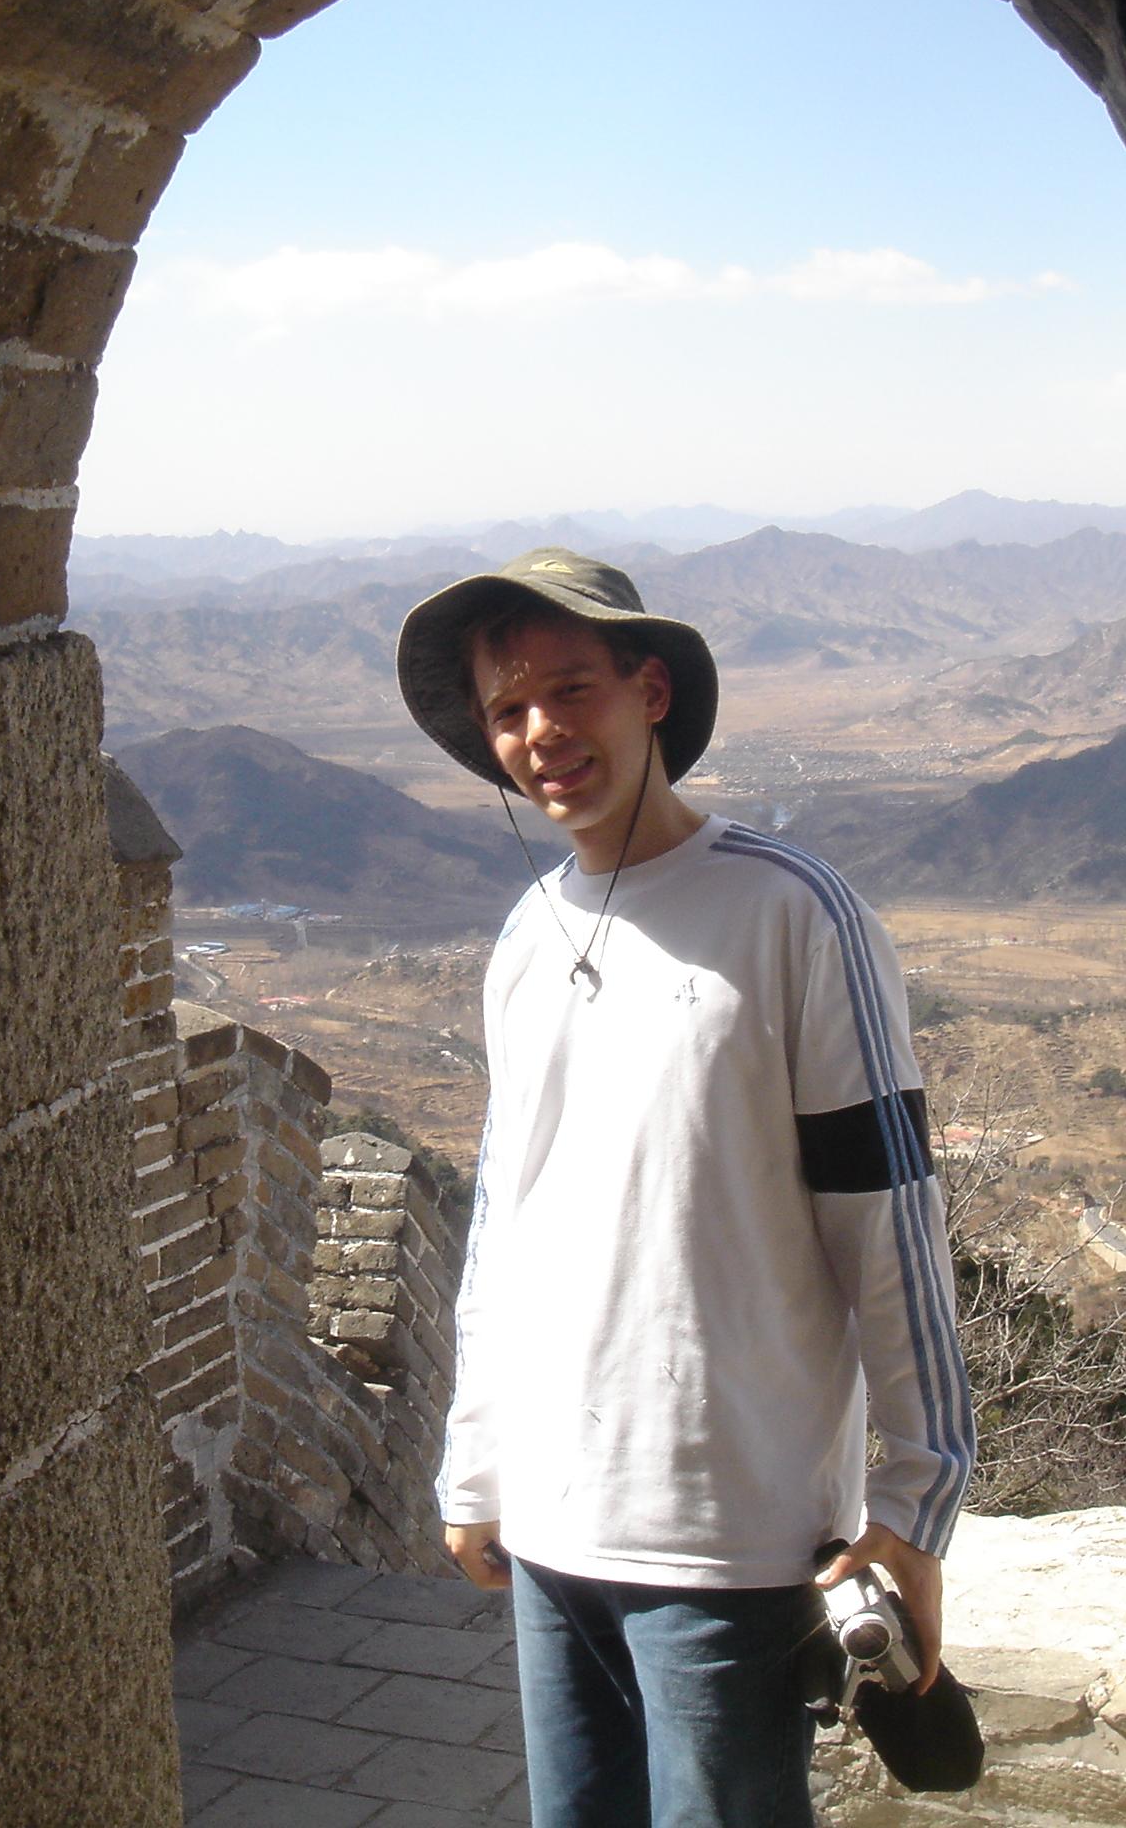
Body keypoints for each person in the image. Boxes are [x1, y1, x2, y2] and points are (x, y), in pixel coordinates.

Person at [393, 548, 975, 1828]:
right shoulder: (525, 935)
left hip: (730, 1540)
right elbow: (508, 1223)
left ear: (650, 691)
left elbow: (888, 1218)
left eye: (571, 689)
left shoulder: (794, 914)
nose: (541, 732)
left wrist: (917, 1503)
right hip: (552, 1528)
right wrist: (476, 1465)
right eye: (506, 709)